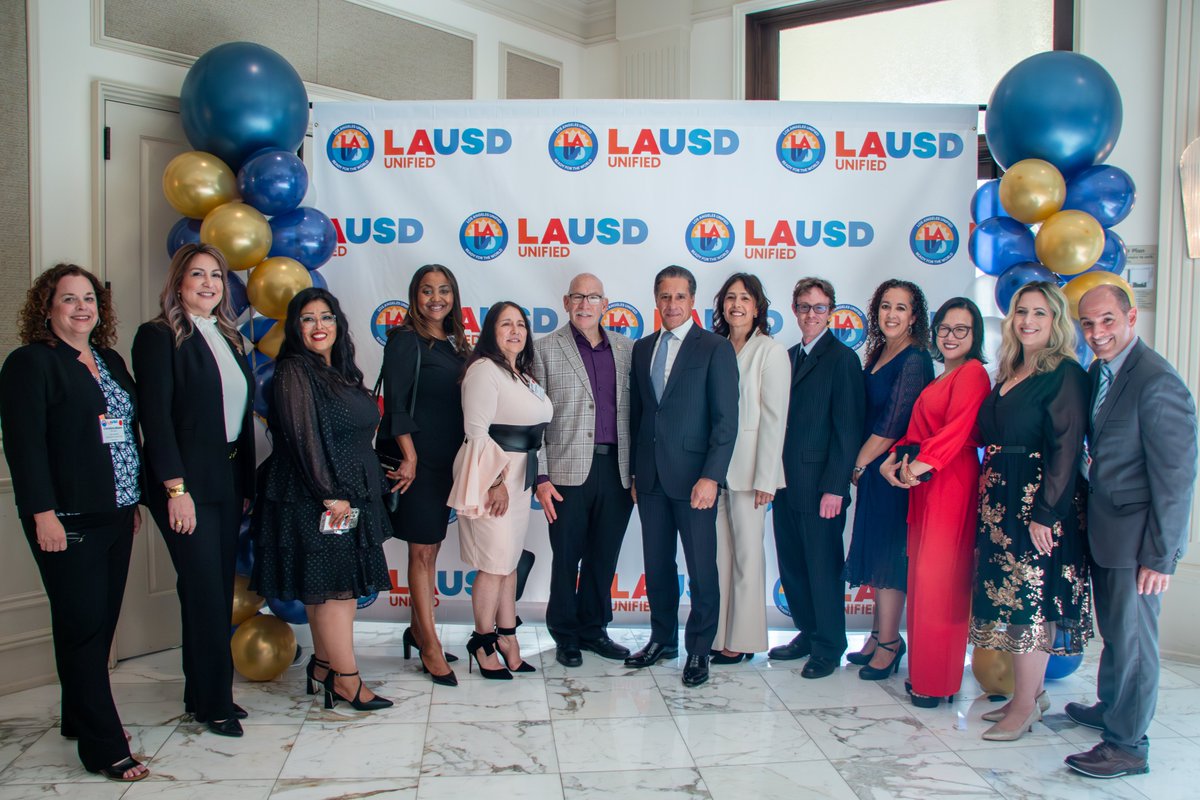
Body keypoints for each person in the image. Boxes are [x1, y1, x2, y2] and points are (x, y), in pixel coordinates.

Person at [0, 264, 149, 782]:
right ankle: (103, 746)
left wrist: (131, 502)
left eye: (89, 299)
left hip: (116, 511)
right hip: (66, 517)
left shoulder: (108, 359)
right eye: (69, 299)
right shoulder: (30, 363)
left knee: (95, 625)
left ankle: (77, 717)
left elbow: (126, 432)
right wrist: (43, 514)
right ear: (47, 308)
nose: (82, 307)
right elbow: (24, 448)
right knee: (84, 630)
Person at [1063, 285, 1198, 778]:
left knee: (1135, 640)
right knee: (1117, 634)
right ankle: (1111, 710)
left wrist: (1161, 556)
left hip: (1138, 540)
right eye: (1089, 324)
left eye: (1107, 322)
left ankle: (1128, 744)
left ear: (1131, 317)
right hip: (1107, 530)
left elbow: (1176, 477)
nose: (1097, 333)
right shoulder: (1103, 371)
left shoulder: (1157, 380)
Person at [132, 243, 255, 737]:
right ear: (178, 282)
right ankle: (216, 702)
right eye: (197, 274)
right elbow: (155, 419)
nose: (208, 283)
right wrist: (174, 487)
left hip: (225, 481)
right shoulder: (157, 336)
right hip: (184, 484)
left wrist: (243, 482)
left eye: (217, 276)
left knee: (210, 590)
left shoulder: (229, 335)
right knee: (204, 591)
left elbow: (241, 420)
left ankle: (200, 693)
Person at [252, 287, 394, 711]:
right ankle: (347, 681)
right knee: (337, 592)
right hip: (319, 497)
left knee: (325, 589)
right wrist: (330, 496)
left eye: (326, 317)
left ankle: (324, 666)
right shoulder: (295, 371)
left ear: (338, 323)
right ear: (296, 327)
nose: (319, 326)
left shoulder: (341, 372)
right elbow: (302, 440)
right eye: (308, 319)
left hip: (348, 492)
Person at [969, 281, 1092, 742]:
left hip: (1038, 501)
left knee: (1031, 604)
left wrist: (1047, 513)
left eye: (1039, 313)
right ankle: (1032, 696)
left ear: (1056, 320)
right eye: (1022, 312)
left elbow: (1066, 445)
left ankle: (1023, 707)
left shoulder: (1064, 372)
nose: (1028, 321)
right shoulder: (1012, 368)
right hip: (1001, 498)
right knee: (1013, 600)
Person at [625, 265, 739, 688]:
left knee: (701, 569)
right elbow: (638, 415)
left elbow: (726, 421)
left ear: (692, 301)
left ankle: (699, 650)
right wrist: (635, 473)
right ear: (656, 300)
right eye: (664, 297)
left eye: (679, 297)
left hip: (695, 482)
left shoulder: (714, 348)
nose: (671, 305)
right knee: (656, 566)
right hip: (651, 479)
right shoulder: (641, 349)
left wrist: (712, 476)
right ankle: (663, 640)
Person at [881, 297, 991, 707]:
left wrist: (917, 468)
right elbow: (914, 432)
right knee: (922, 581)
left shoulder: (974, 373)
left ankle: (939, 681)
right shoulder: (938, 378)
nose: (950, 336)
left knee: (940, 581)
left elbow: (956, 432)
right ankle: (924, 674)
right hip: (925, 483)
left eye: (961, 329)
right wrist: (893, 462)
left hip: (951, 481)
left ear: (975, 335)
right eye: (944, 328)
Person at [375, 265, 471, 686]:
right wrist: (409, 457)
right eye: (428, 290)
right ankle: (429, 645)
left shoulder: (454, 344)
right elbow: (395, 406)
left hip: (447, 463)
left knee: (430, 552)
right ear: (414, 295)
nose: (437, 298)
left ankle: (418, 629)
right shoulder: (405, 341)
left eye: (445, 290)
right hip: (417, 464)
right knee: (421, 554)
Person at [532, 274, 634, 668]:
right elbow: (533, 421)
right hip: (565, 474)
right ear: (565, 301)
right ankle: (565, 634)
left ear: (605, 303)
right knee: (566, 556)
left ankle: (594, 630)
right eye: (578, 296)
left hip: (617, 471)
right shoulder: (543, 350)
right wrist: (539, 476)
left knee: (603, 556)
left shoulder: (626, 350)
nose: (585, 304)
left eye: (593, 297)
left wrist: (638, 474)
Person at [448, 302, 554, 680]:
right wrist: (494, 483)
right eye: (505, 324)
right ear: (491, 331)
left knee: (508, 564)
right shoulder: (483, 371)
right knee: (493, 566)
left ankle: (508, 637)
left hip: (521, 478)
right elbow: (476, 432)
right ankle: (482, 639)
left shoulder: (522, 374)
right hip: (493, 477)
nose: (515, 330)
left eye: (520, 324)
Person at [769, 277, 865, 679]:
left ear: (831, 312)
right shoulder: (787, 356)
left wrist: (835, 488)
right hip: (783, 483)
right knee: (793, 565)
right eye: (805, 306)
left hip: (820, 485)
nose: (811, 314)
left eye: (820, 307)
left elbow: (848, 430)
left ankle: (829, 645)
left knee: (823, 568)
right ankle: (807, 633)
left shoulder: (843, 360)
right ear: (794, 310)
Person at [843, 279, 933, 680]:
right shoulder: (880, 351)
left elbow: (893, 423)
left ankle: (891, 643)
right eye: (885, 306)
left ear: (914, 315)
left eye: (900, 308)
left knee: (889, 557)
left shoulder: (915, 358)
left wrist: (858, 464)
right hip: (876, 470)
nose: (891, 314)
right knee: (877, 552)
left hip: (893, 470)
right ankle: (879, 635)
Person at [708, 272, 789, 663]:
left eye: (745, 298)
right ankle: (719, 633)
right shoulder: (716, 347)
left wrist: (766, 478)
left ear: (757, 307)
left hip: (750, 474)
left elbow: (775, 419)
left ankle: (742, 641)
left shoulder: (769, 351)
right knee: (720, 557)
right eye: (730, 298)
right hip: (714, 472)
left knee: (747, 559)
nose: (736, 305)